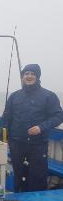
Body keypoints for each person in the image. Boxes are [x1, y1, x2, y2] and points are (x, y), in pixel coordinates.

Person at [4, 64, 63, 192]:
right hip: (17, 145)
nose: (29, 76)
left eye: (32, 74)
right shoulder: (14, 96)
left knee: (37, 178)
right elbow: (6, 119)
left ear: (37, 77)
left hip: (38, 145)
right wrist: (5, 140)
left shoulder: (49, 96)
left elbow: (58, 116)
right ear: (22, 77)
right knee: (18, 177)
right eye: (26, 74)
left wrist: (41, 127)